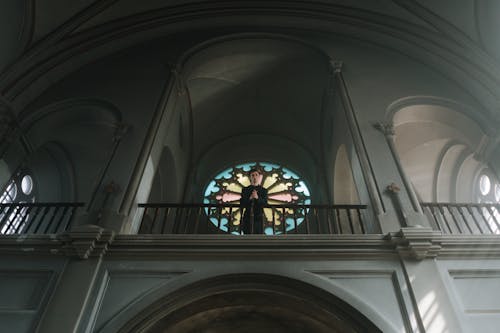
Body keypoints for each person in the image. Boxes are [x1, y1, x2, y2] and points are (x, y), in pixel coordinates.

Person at [240, 168, 268, 234]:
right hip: (247, 216)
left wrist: (257, 197)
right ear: (250, 177)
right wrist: (250, 198)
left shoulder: (264, 190)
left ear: (259, 177)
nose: (254, 177)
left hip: (259, 217)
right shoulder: (245, 189)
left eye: (256, 175)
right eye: (252, 175)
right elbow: (242, 203)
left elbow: (265, 203)